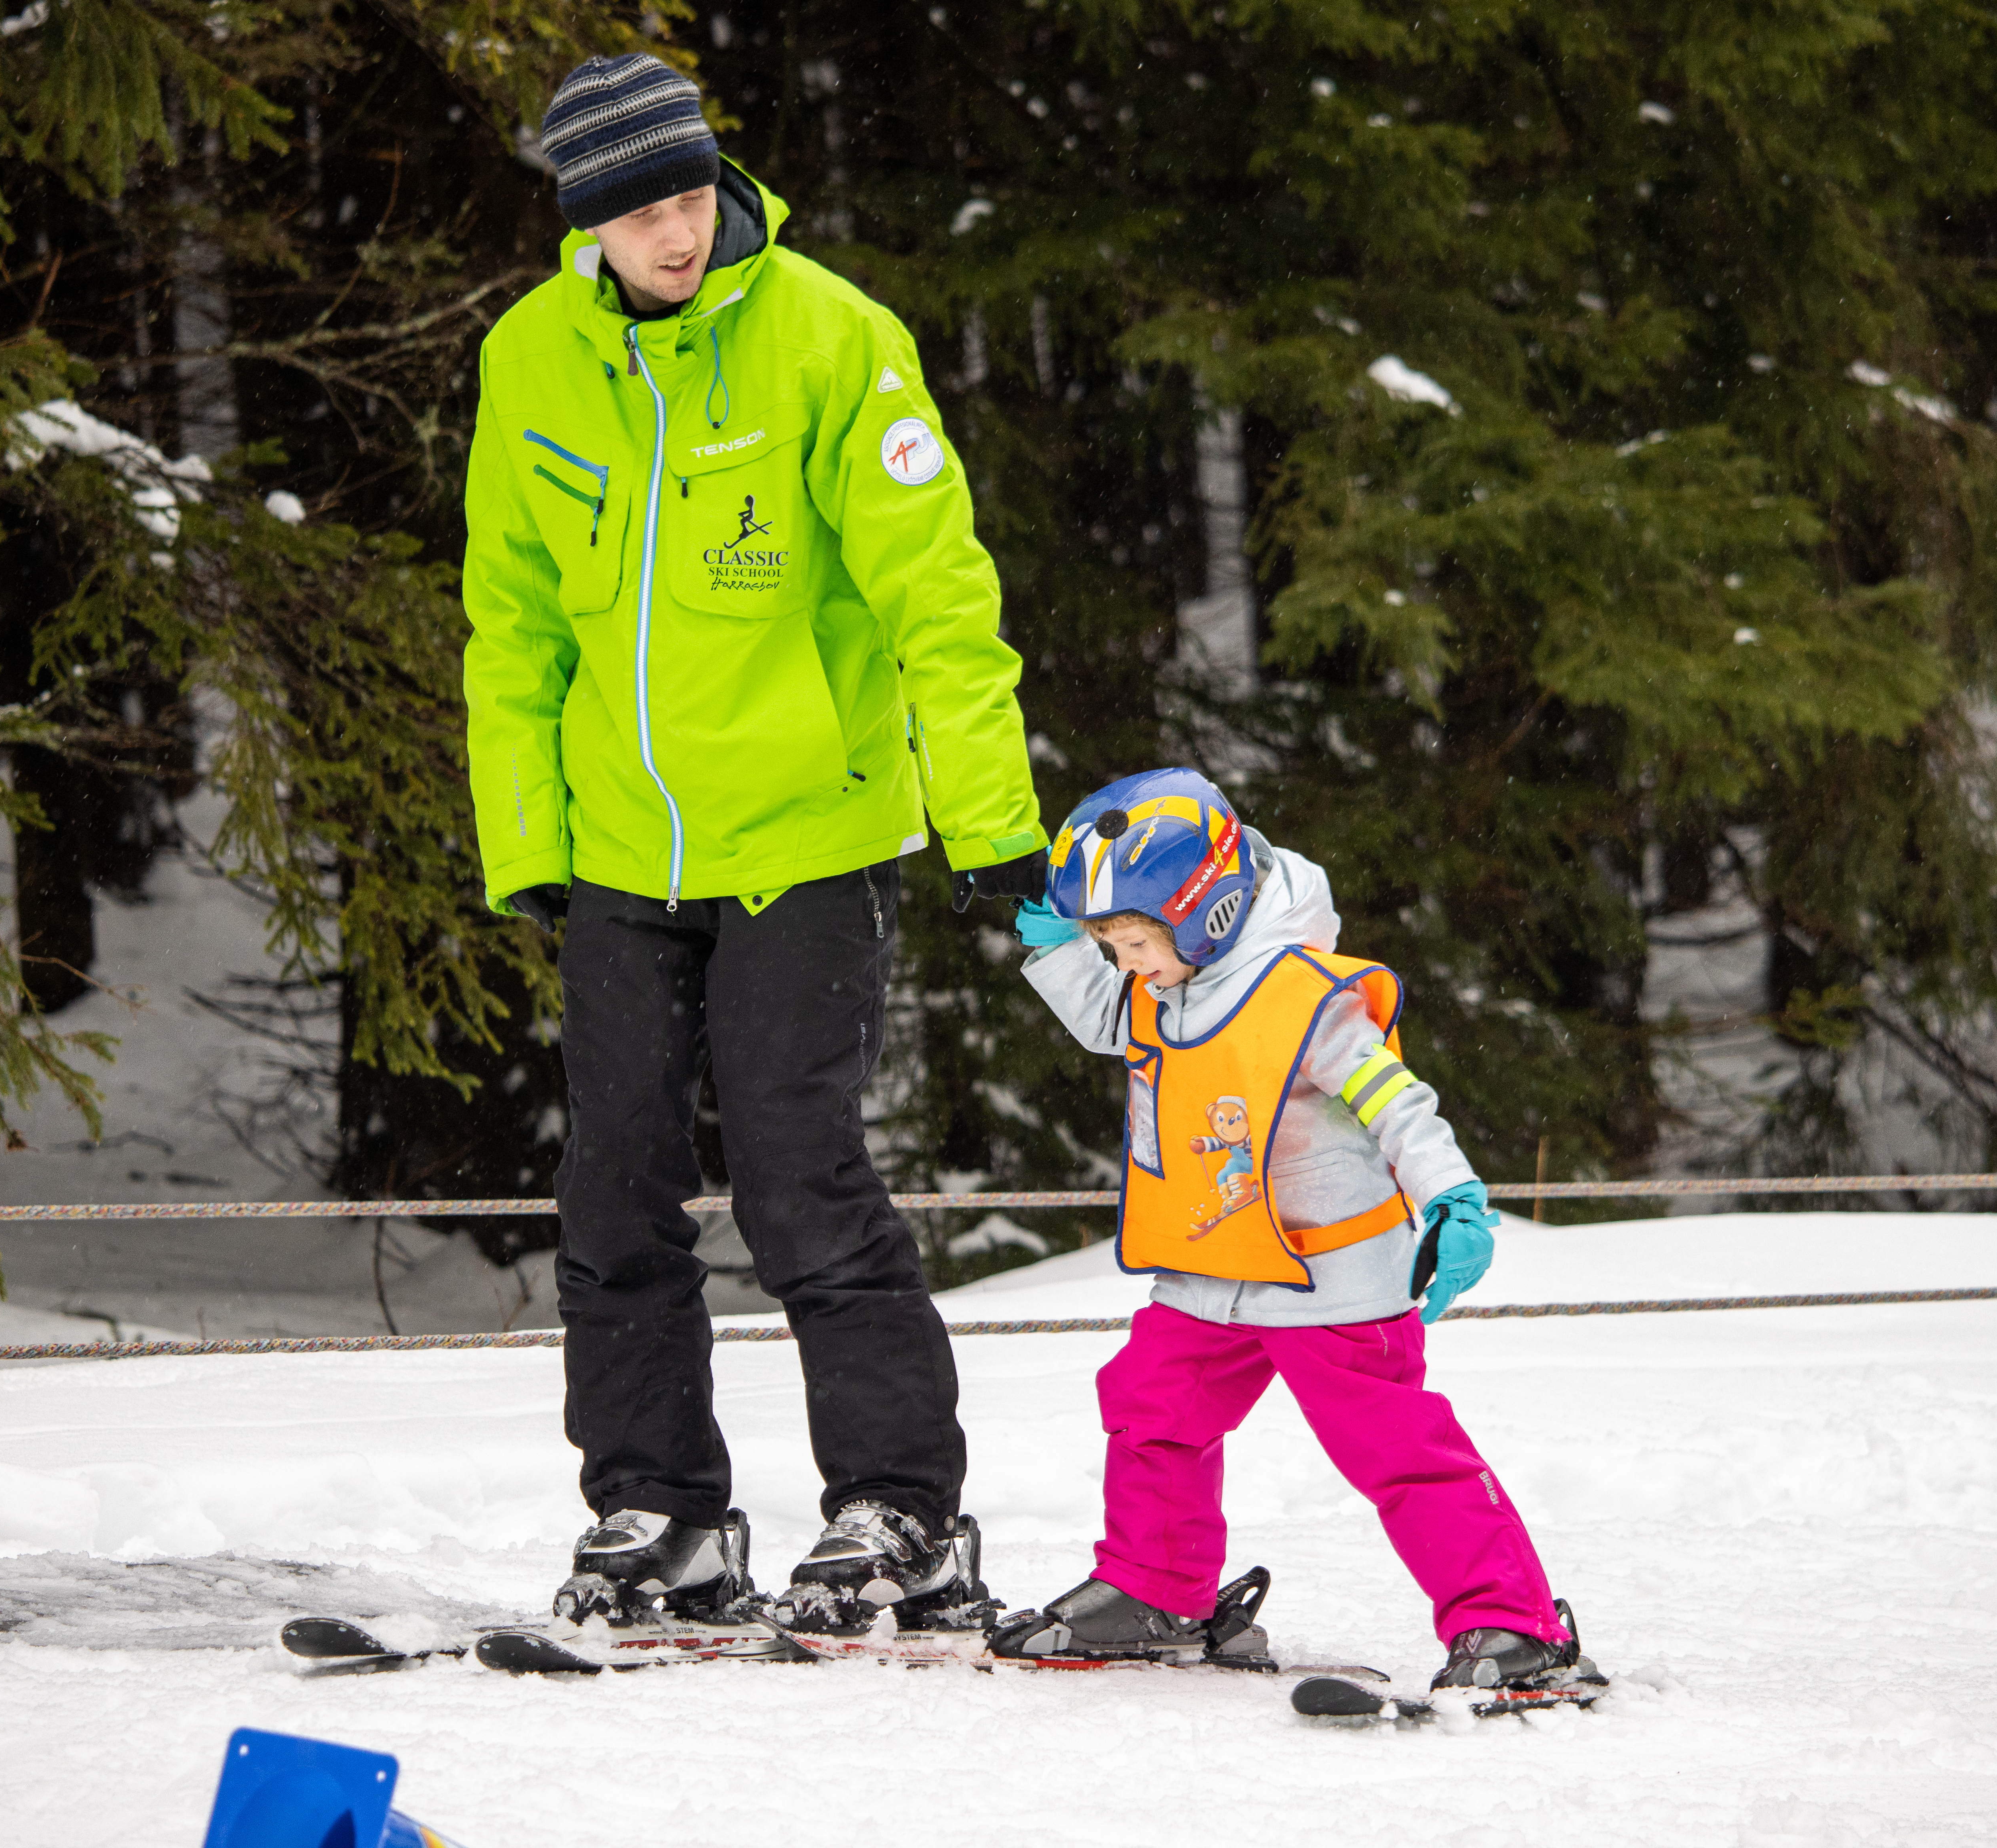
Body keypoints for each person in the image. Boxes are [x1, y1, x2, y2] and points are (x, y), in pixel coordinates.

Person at [459, 52, 1048, 1632]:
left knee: (801, 1181)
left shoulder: (833, 338)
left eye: (690, 197)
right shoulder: (531, 360)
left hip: (806, 840)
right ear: (586, 225)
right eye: (640, 213)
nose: (676, 233)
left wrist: (993, 817)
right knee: (612, 1196)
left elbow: (939, 595)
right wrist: (529, 837)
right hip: (621, 855)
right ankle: (660, 1512)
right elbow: (513, 621)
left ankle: (901, 1510)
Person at [987, 768, 1601, 1698]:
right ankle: (1156, 1591)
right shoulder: (1168, 984)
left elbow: (1398, 1103)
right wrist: (1056, 947)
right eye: (1109, 946)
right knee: (1153, 1411)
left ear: (1207, 912)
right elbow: (1112, 1020)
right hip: (1209, 1270)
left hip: (1331, 1280)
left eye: (1133, 942)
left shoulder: (1307, 998)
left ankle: (1513, 1627)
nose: (1126, 964)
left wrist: (1452, 1196)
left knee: (1398, 1451)